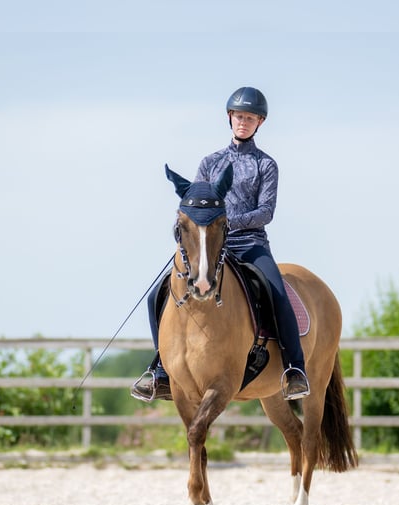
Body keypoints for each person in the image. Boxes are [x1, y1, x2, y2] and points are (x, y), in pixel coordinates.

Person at [131, 86, 309, 402]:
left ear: (260, 123)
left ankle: (295, 369)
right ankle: (160, 369)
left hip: (251, 245)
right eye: (239, 116)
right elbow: (195, 204)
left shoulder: (265, 165)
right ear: (230, 118)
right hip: (210, 248)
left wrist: (225, 223)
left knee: (276, 291)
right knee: (155, 295)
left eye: (250, 118)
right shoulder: (210, 162)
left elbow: (265, 212)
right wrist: (199, 226)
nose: (243, 122)